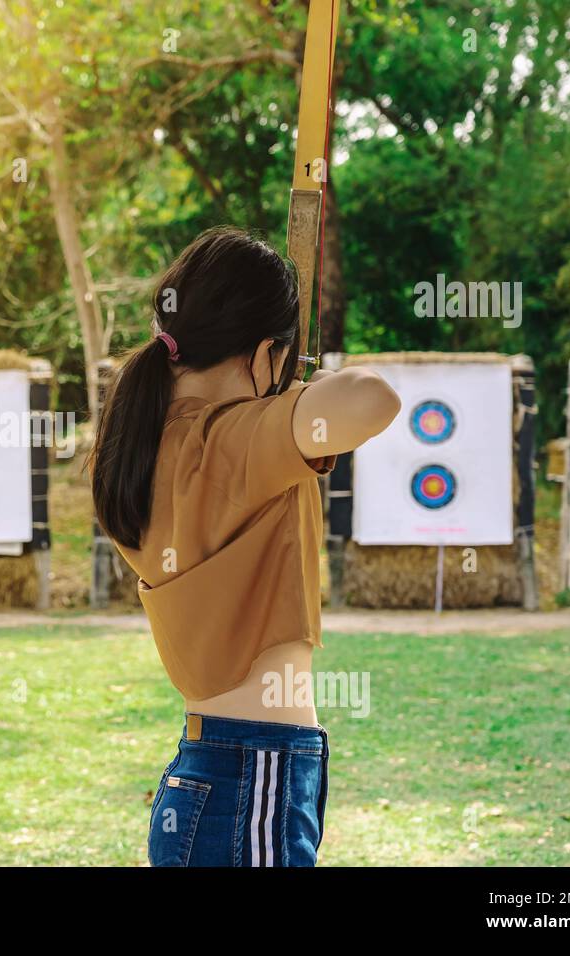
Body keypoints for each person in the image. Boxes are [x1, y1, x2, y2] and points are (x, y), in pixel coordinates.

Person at [90, 226, 400, 866]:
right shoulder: (227, 441)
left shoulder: (150, 448)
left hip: (214, 768)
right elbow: (375, 399)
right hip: (252, 774)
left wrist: (285, 382)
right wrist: (295, 390)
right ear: (264, 354)